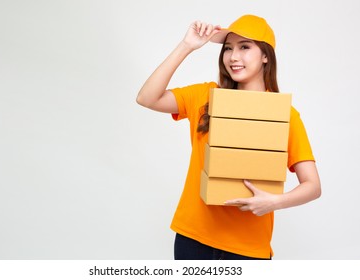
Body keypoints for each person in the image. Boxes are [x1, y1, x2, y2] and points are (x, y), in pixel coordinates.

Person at [136, 14, 321, 260]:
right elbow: (146, 98)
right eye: (228, 49)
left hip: (248, 248)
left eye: (245, 47)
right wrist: (187, 46)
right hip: (193, 238)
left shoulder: (284, 115)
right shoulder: (205, 96)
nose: (233, 57)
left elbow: (313, 186)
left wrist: (274, 202)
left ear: (266, 55)